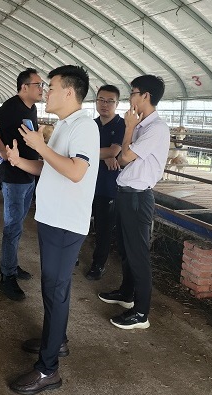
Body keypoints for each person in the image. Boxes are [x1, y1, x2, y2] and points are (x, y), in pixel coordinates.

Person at [5, 65, 99, 395]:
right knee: (53, 289)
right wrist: (19, 161)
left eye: (52, 87)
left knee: (55, 290)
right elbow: (51, 167)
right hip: (53, 219)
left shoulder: (84, 127)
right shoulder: (65, 125)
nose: (46, 92)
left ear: (69, 92)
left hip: (65, 223)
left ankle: (48, 370)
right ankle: (55, 340)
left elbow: (75, 172)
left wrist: (40, 144)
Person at [97, 75, 170, 330]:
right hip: (126, 193)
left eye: (133, 93)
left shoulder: (155, 128)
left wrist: (128, 129)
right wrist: (131, 129)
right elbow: (123, 157)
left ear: (145, 96)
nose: (131, 98)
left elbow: (125, 157)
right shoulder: (141, 125)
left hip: (138, 197)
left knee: (138, 255)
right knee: (126, 249)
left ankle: (141, 313)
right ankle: (126, 294)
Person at [0, 68, 45, 301]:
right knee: (12, 226)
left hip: (28, 175)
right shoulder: (13, 105)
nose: (42, 89)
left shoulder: (31, 108)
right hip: (14, 177)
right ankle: (7, 276)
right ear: (24, 87)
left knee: (18, 224)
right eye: (38, 85)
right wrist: (1, 150)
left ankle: (12, 264)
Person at [85, 85, 125, 280]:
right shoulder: (91, 125)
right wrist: (105, 154)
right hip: (86, 183)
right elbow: (106, 151)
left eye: (110, 101)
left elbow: (114, 151)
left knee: (103, 229)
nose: (105, 104)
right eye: (101, 100)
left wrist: (107, 153)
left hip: (108, 186)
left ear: (117, 104)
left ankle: (98, 265)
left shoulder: (121, 125)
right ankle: (73, 256)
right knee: (81, 221)